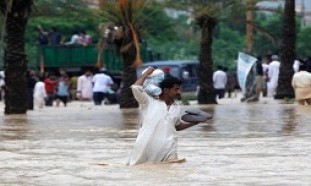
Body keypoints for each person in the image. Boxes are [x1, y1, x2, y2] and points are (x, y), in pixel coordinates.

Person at [128, 67, 201, 165]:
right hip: (146, 148)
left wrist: (196, 122)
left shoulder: (177, 106)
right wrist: (147, 73)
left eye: (179, 89)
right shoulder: (148, 101)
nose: (179, 92)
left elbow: (176, 126)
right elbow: (136, 87)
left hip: (169, 149)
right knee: (142, 172)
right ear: (166, 90)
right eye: (176, 89)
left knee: (170, 174)